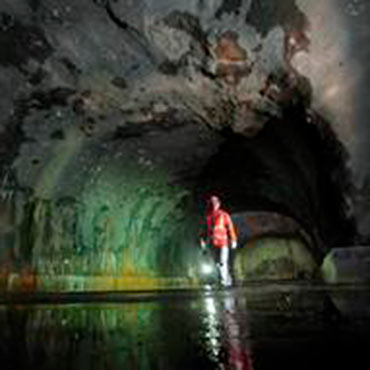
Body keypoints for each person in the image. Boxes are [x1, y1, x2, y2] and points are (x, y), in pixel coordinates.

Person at [200, 195, 238, 287]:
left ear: (219, 204)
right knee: (217, 263)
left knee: (222, 262)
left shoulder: (224, 215)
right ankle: (226, 279)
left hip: (223, 243)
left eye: (215, 203)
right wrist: (203, 242)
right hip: (213, 243)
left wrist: (233, 239)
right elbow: (204, 231)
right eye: (212, 203)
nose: (213, 205)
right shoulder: (208, 218)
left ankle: (224, 282)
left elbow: (230, 227)